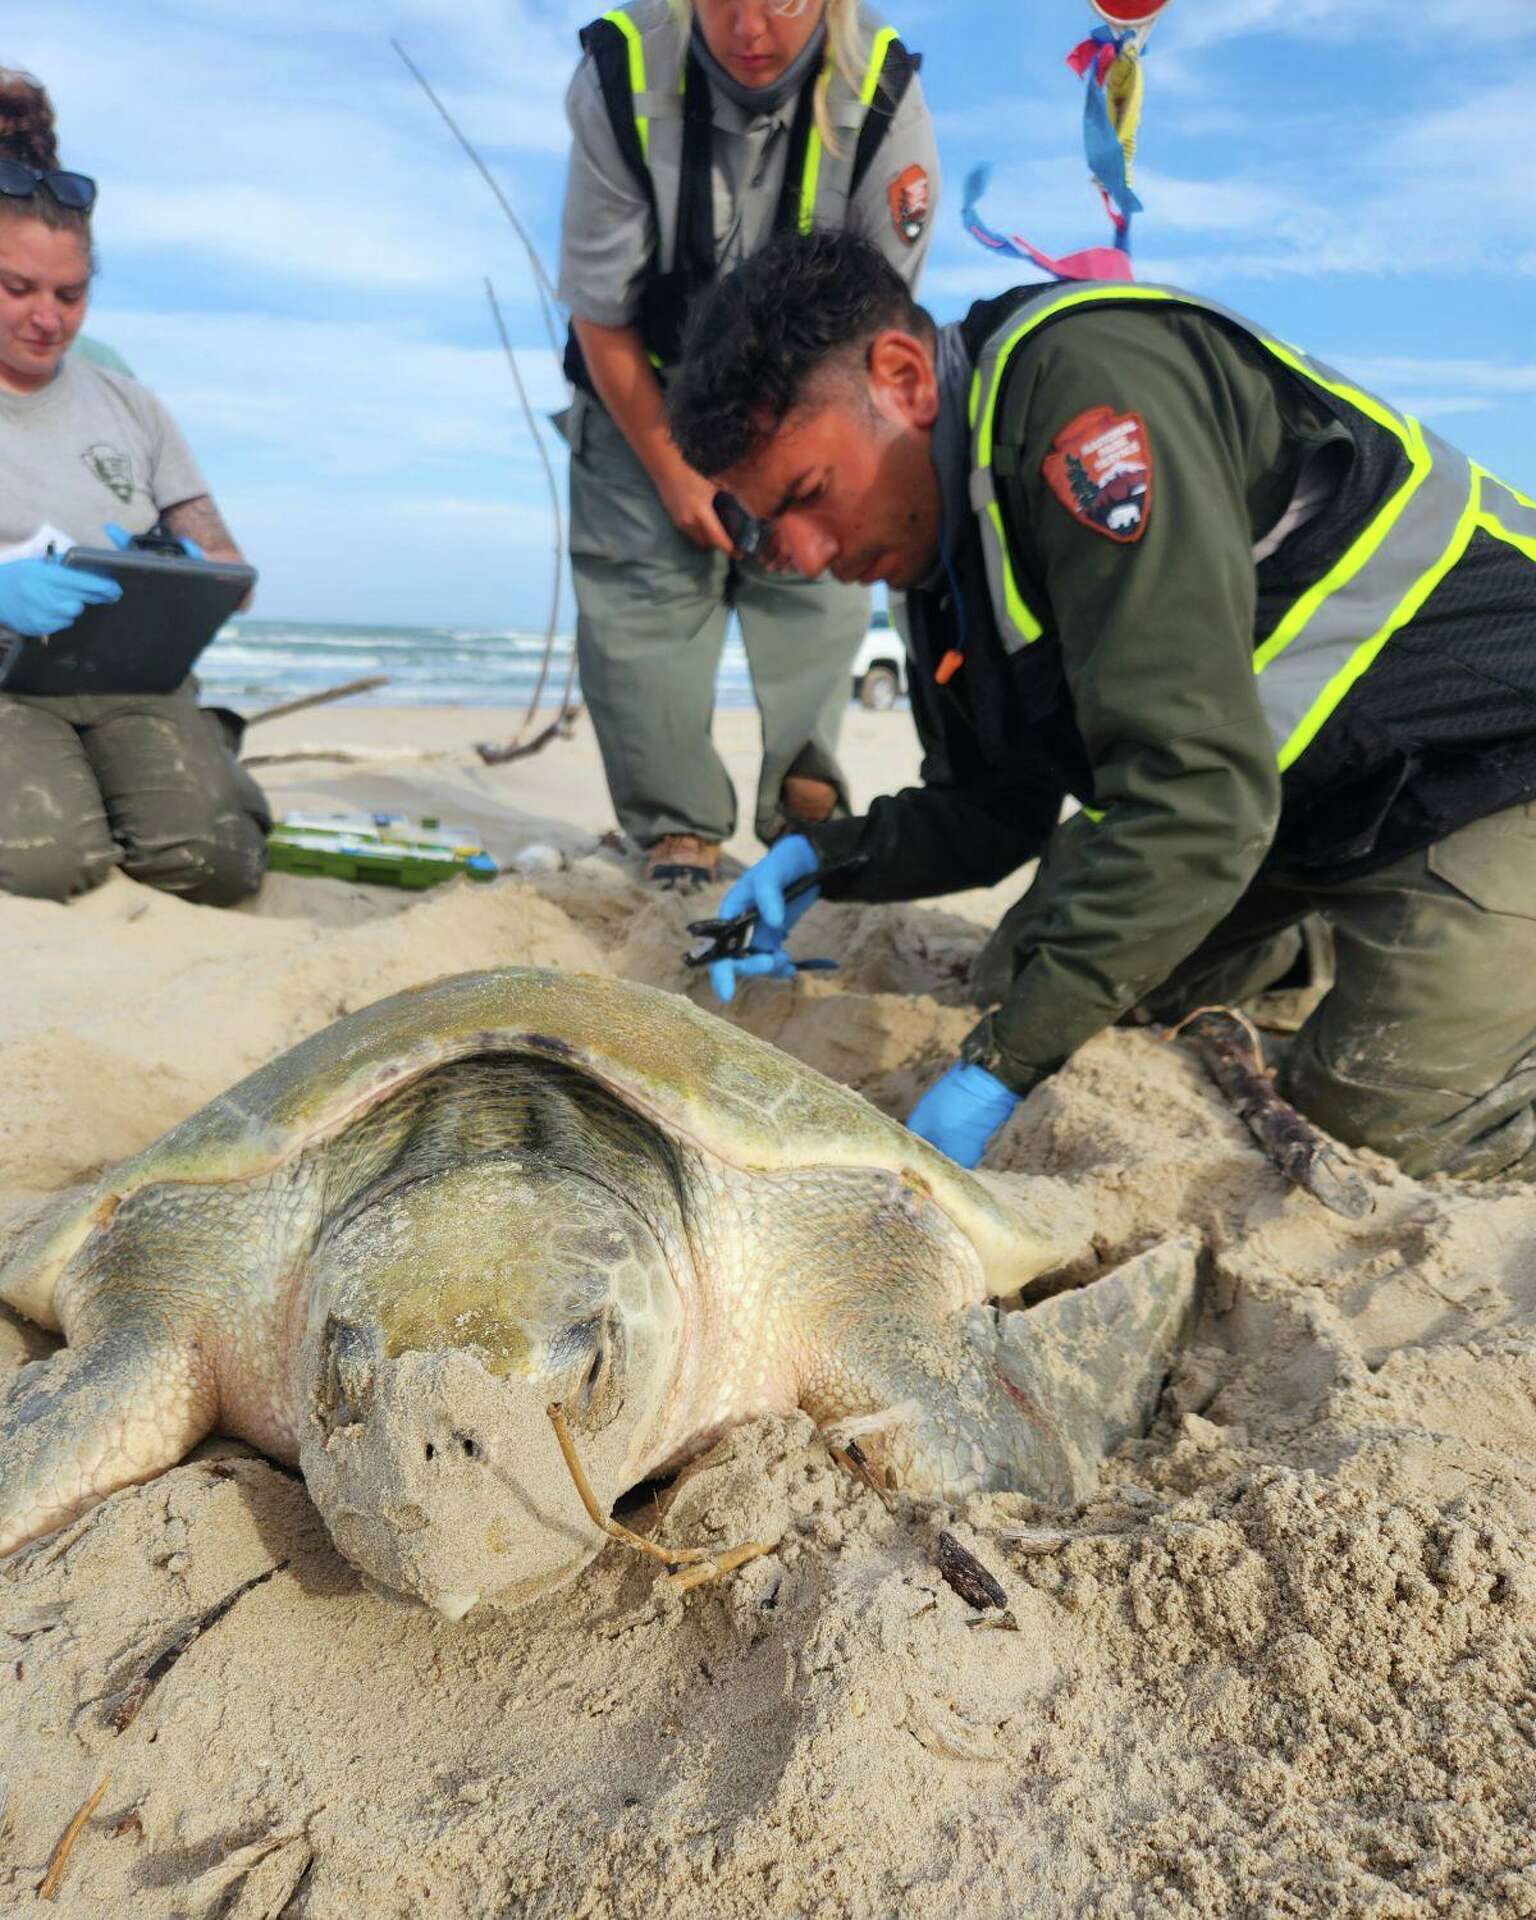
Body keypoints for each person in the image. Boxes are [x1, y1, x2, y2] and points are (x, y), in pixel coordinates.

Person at [667, 230, 1536, 1182]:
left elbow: (1196, 796)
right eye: (767, 526)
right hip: (1301, 804)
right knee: (1022, 970)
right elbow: (994, 810)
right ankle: (1311, 947)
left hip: (1483, 768)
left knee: (1378, 1120)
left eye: (808, 494)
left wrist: (1001, 1068)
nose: (806, 553)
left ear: (904, 377)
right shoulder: (940, 538)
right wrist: (817, 861)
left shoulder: (1090, 400)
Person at [558, 0, 937, 887]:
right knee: (642, 597)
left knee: (819, 576)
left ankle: (806, 804)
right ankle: (675, 831)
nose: (752, 28)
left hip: (807, 402)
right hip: (641, 391)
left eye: (786, 0)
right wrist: (676, 469)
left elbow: (874, 339)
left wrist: (798, 486)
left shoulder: (887, 92)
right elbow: (598, 315)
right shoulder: (619, 70)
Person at [0, 74, 269, 907]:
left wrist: (188, 566)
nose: (47, 318)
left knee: (212, 865)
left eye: (70, 295)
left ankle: (206, 762)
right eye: (17, 290)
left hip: (131, 683)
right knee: (48, 864)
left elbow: (232, 571)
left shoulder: (126, 398)